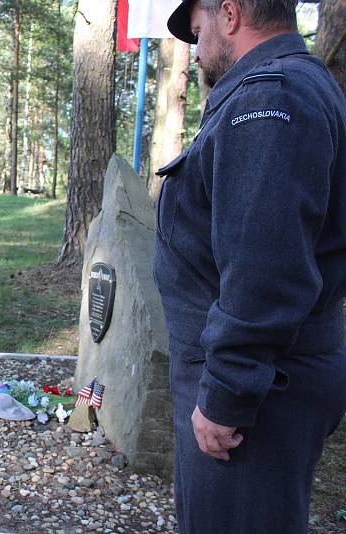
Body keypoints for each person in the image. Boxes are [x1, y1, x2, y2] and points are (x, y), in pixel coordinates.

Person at [156, 1, 346, 532]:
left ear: (231, 14)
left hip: (254, 397)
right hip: (262, 379)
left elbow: (265, 268)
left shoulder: (269, 98)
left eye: (197, 34)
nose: (194, 54)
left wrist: (225, 396)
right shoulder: (288, 87)